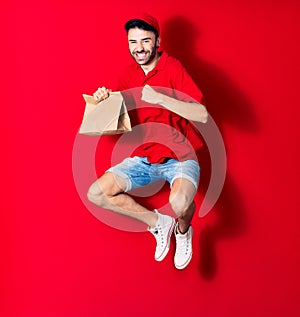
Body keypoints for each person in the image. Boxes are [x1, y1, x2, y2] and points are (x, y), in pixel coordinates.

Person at [87, 13, 208, 269]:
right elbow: (115, 124)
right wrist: (102, 101)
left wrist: (161, 98)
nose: (139, 48)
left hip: (181, 155)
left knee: (179, 203)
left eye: (145, 40)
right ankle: (158, 223)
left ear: (157, 40)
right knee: (96, 193)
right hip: (145, 157)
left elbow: (202, 114)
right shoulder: (127, 75)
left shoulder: (172, 67)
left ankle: (183, 231)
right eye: (133, 42)